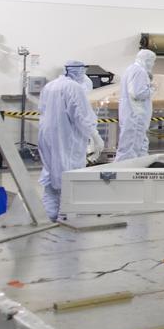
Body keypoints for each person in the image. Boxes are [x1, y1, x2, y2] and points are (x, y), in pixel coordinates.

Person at [37, 61, 103, 221]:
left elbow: (41, 109)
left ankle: (50, 213)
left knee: (51, 173)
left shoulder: (50, 86)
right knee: (69, 174)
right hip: (66, 137)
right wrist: (95, 136)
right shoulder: (74, 87)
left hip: (47, 136)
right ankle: (65, 215)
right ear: (79, 71)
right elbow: (81, 115)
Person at [116, 49, 156, 160]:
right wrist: (152, 88)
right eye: (152, 61)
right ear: (147, 60)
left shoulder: (130, 69)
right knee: (131, 148)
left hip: (131, 114)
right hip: (136, 115)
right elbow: (138, 94)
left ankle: (138, 169)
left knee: (136, 146)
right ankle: (125, 173)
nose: (153, 64)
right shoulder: (139, 71)